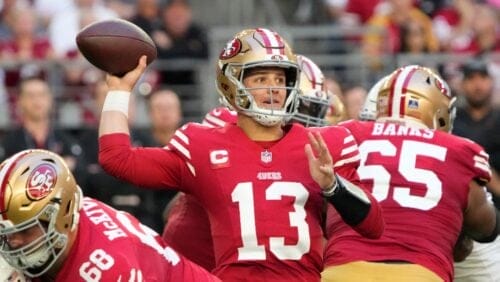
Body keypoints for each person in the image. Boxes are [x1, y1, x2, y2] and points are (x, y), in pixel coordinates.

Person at [97, 28, 384, 281]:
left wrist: (333, 186)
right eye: (260, 79)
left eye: (279, 78)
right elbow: (117, 159)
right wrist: (119, 91)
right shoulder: (203, 144)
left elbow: (373, 226)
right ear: (231, 85)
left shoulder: (323, 144)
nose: (273, 90)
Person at [322, 65, 499, 282]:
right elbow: (487, 228)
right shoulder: (457, 150)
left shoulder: (346, 133)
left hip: (343, 270)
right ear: (437, 111)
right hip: (419, 272)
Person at [0, 149, 220, 281]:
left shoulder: (106, 270)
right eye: (6, 232)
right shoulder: (71, 223)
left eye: (26, 230)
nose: (14, 242)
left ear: (63, 216)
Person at [80, 79, 176, 233]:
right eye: (106, 96)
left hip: (144, 222)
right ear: (96, 103)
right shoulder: (83, 143)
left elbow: (156, 186)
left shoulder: (148, 141)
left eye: (121, 98)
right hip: (101, 222)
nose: (114, 104)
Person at [452, 58, 500, 282]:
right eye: (471, 78)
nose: (478, 84)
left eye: (482, 78)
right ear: (462, 84)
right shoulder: (452, 121)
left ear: (491, 82)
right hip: (466, 219)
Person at [0, 77, 85, 181]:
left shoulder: (67, 140)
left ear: (51, 100)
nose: (37, 100)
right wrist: (59, 166)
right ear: (20, 101)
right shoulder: (8, 142)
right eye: (30, 96)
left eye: (42, 95)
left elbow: (81, 170)